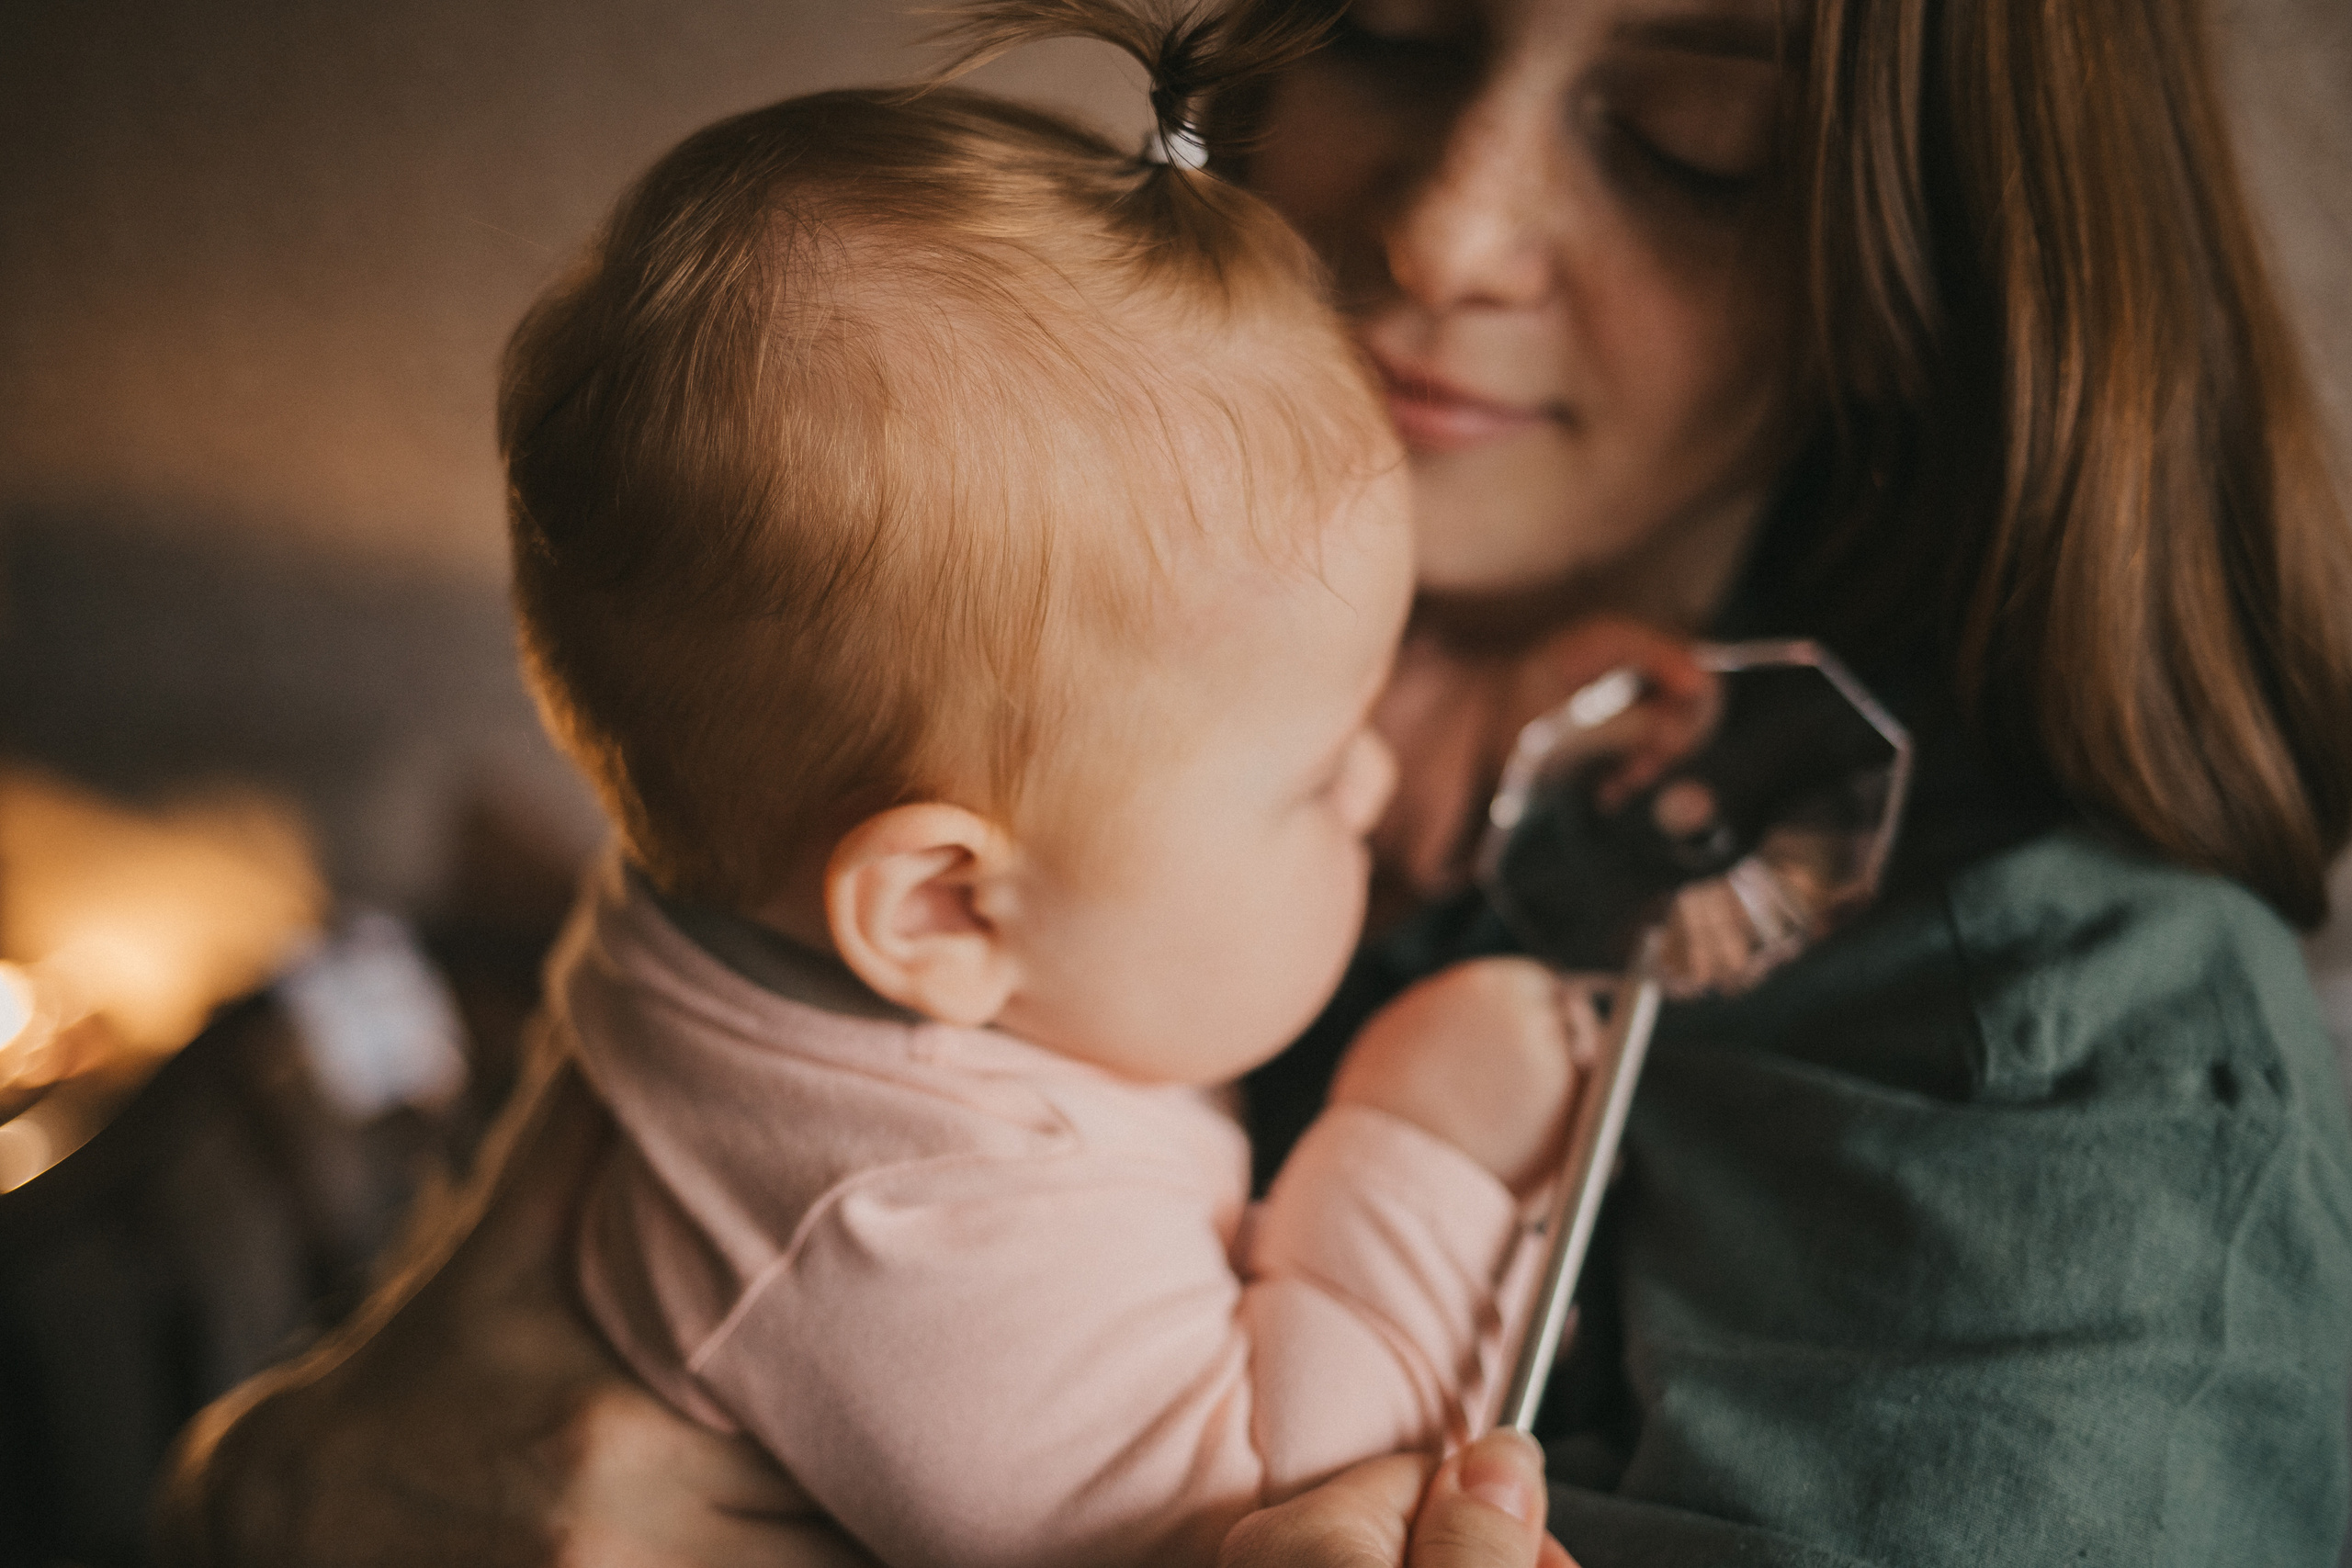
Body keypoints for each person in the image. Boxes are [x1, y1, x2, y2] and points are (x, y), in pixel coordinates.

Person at [158, 0, 2352, 1563]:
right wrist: (275, 1478)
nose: (1437, 234)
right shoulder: (959, 739)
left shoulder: (2069, 1095)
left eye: (1693, 136)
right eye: (1388, 29)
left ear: (1927, 259)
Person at [471, 5, 1611, 1556]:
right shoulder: (911, 1232)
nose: (1379, 773)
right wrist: (1427, 1145)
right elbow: (1282, 1500)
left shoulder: (764, 866)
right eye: (1306, 779)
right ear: (943, 906)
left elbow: (1143, 711)